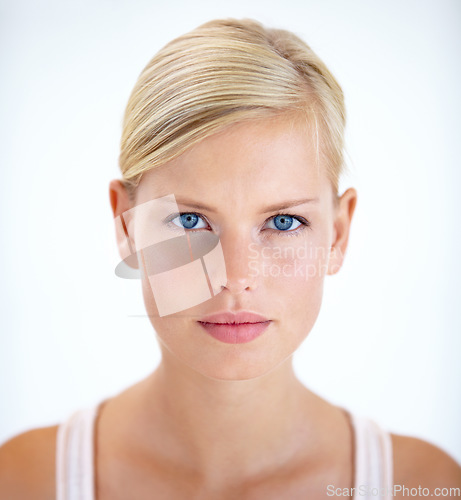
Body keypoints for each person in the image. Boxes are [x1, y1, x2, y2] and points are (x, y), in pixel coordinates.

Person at [1, 17, 460, 500]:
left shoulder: (425, 484)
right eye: (189, 222)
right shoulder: (24, 481)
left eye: (283, 222)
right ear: (127, 225)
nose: (236, 277)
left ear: (338, 233)